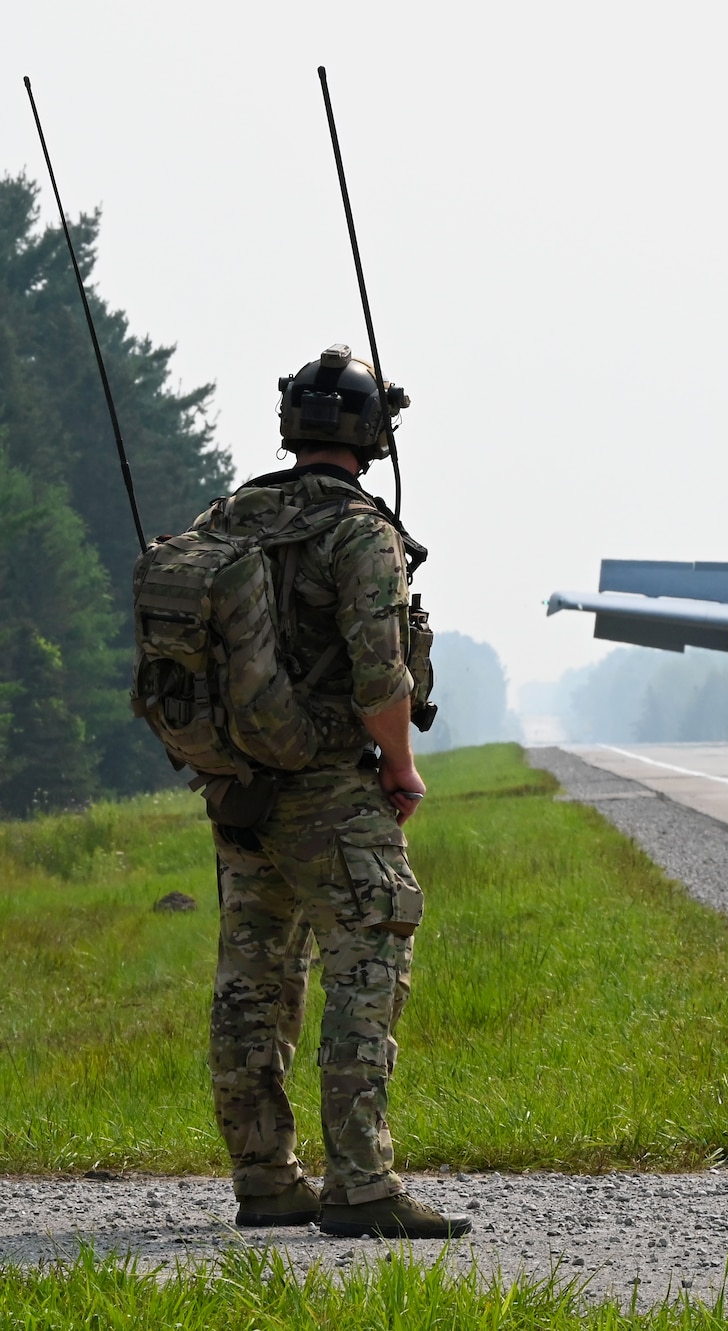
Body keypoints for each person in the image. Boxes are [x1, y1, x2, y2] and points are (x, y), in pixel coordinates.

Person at [199, 345, 466, 1239]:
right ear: (371, 436)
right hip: (331, 791)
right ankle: (360, 1182)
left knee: (253, 980)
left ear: (292, 427)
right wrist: (401, 765)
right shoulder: (361, 532)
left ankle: (266, 1178)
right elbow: (381, 672)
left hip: (241, 790)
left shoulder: (231, 517)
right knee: (368, 962)